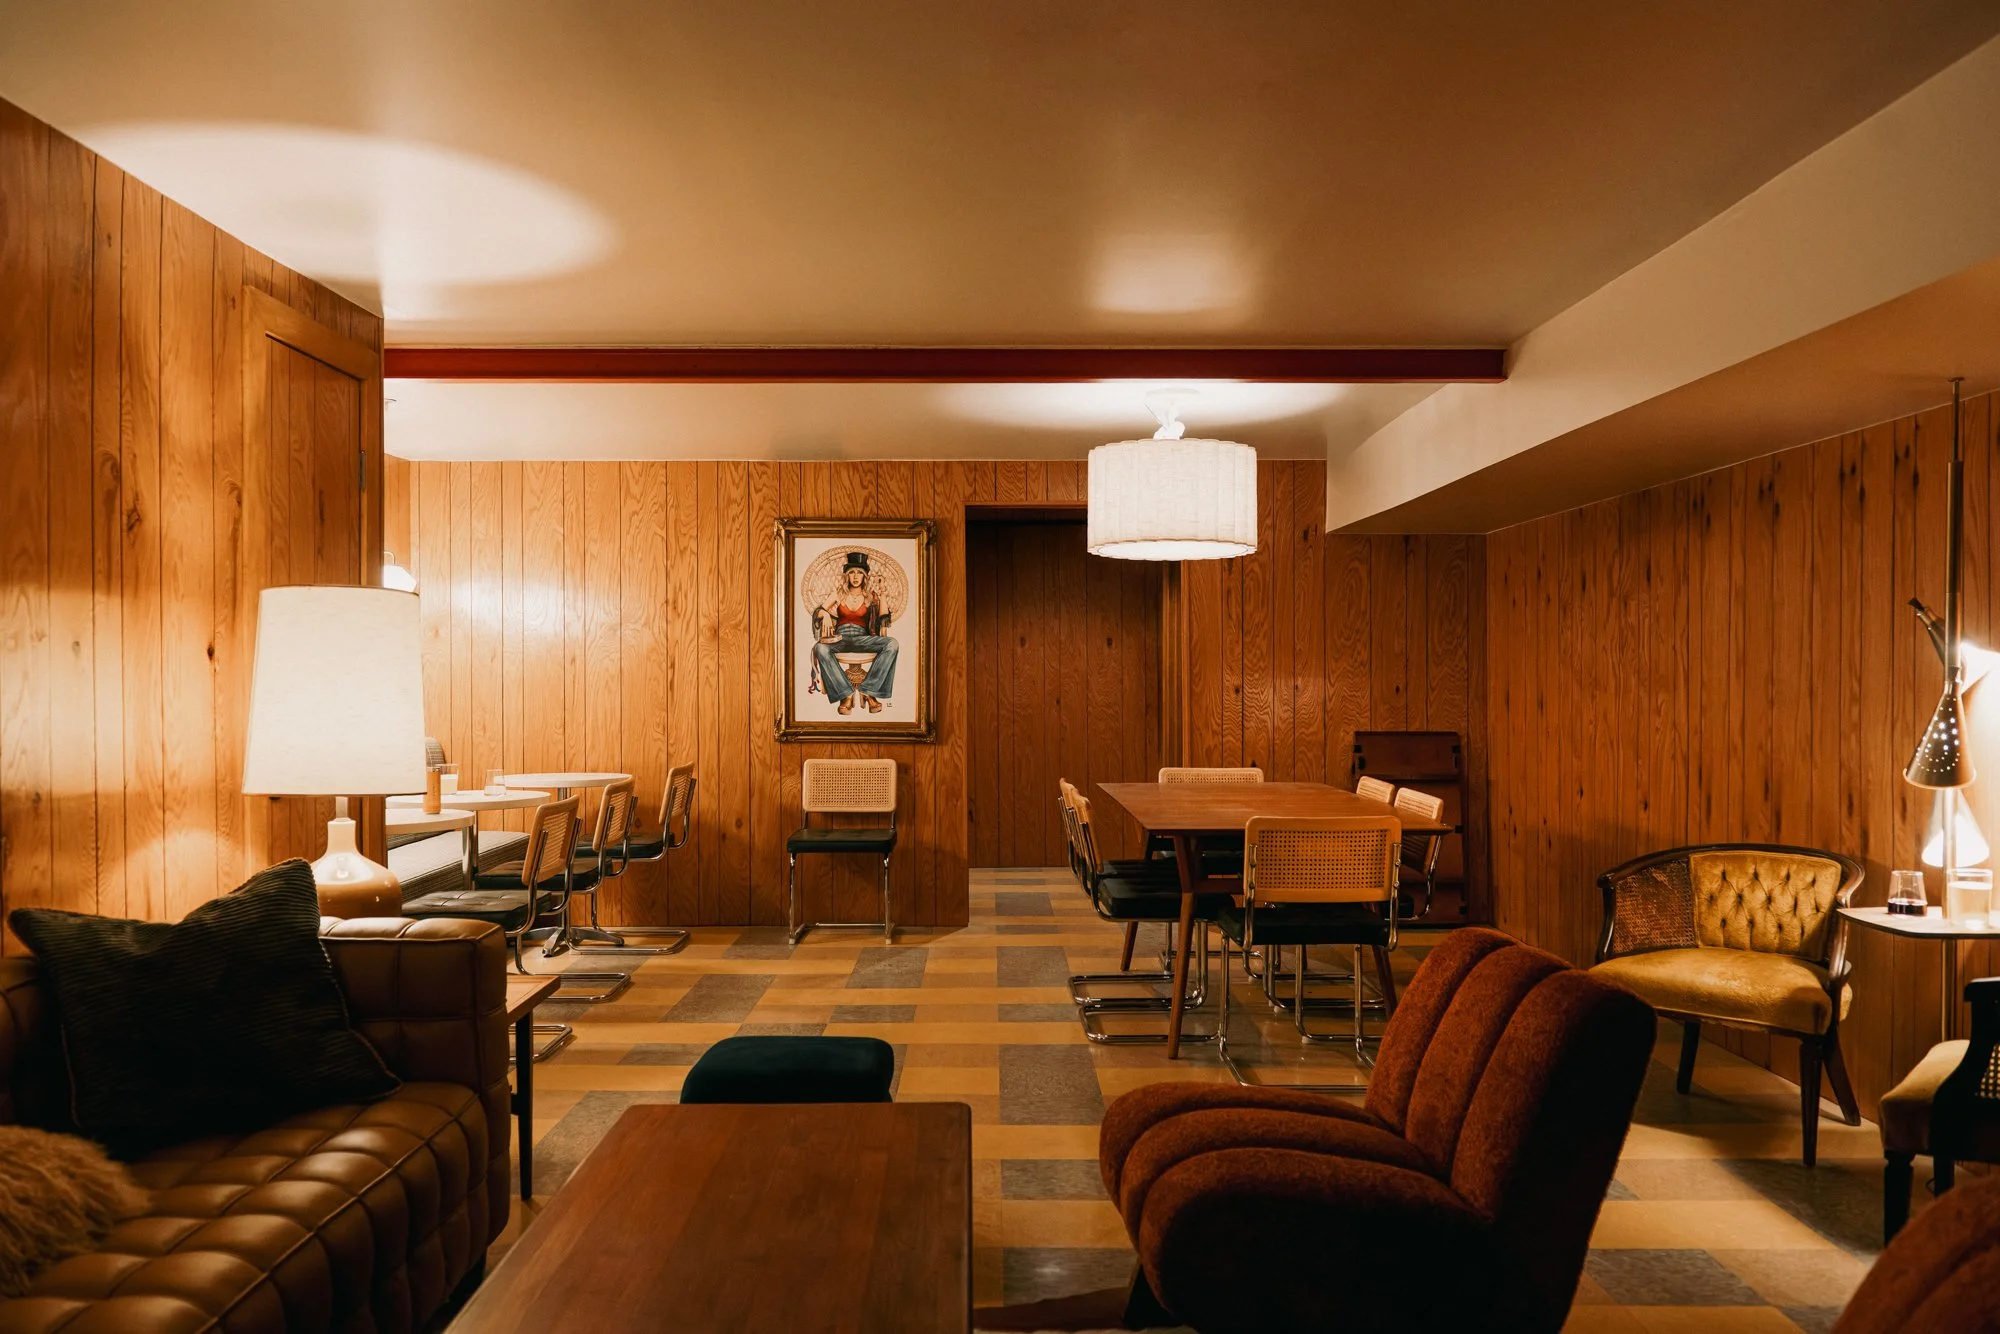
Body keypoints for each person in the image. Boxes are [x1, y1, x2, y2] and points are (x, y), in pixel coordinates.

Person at [812, 551, 900, 714]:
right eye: (852, 572)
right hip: (840, 638)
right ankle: (846, 694)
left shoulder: (871, 596)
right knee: (820, 648)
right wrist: (823, 614)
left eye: (860, 572)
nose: (855, 576)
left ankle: (869, 690)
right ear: (846, 575)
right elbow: (819, 611)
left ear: (865, 576)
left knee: (892, 644)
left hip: (863, 638)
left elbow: (884, 618)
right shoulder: (838, 593)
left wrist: (882, 593)